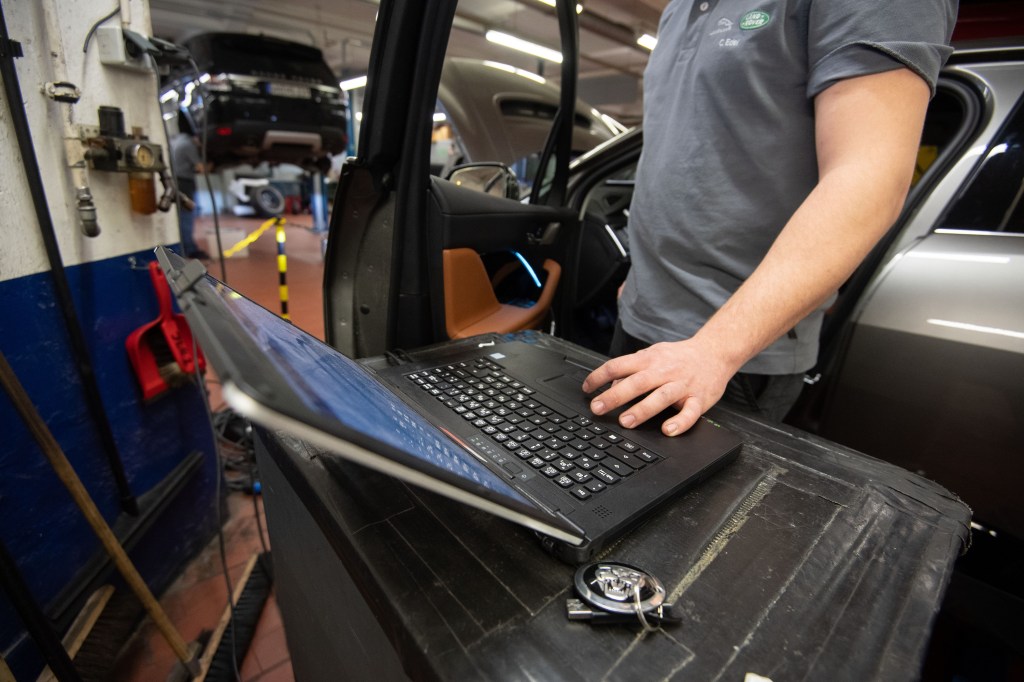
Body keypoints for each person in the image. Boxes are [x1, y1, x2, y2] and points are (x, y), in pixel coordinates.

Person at [583, 1, 958, 436]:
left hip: (725, 353)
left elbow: (869, 178)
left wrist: (714, 350)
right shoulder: (679, 9)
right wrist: (645, 275)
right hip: (642, 317)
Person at [169, 115, 210, 259]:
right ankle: (190, 249)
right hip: (185, 183)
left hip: (174, 181)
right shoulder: (188, 144)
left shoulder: (175, 141)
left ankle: (184, 247)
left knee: (181, 215)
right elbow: (201, 168)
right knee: (187, 215)